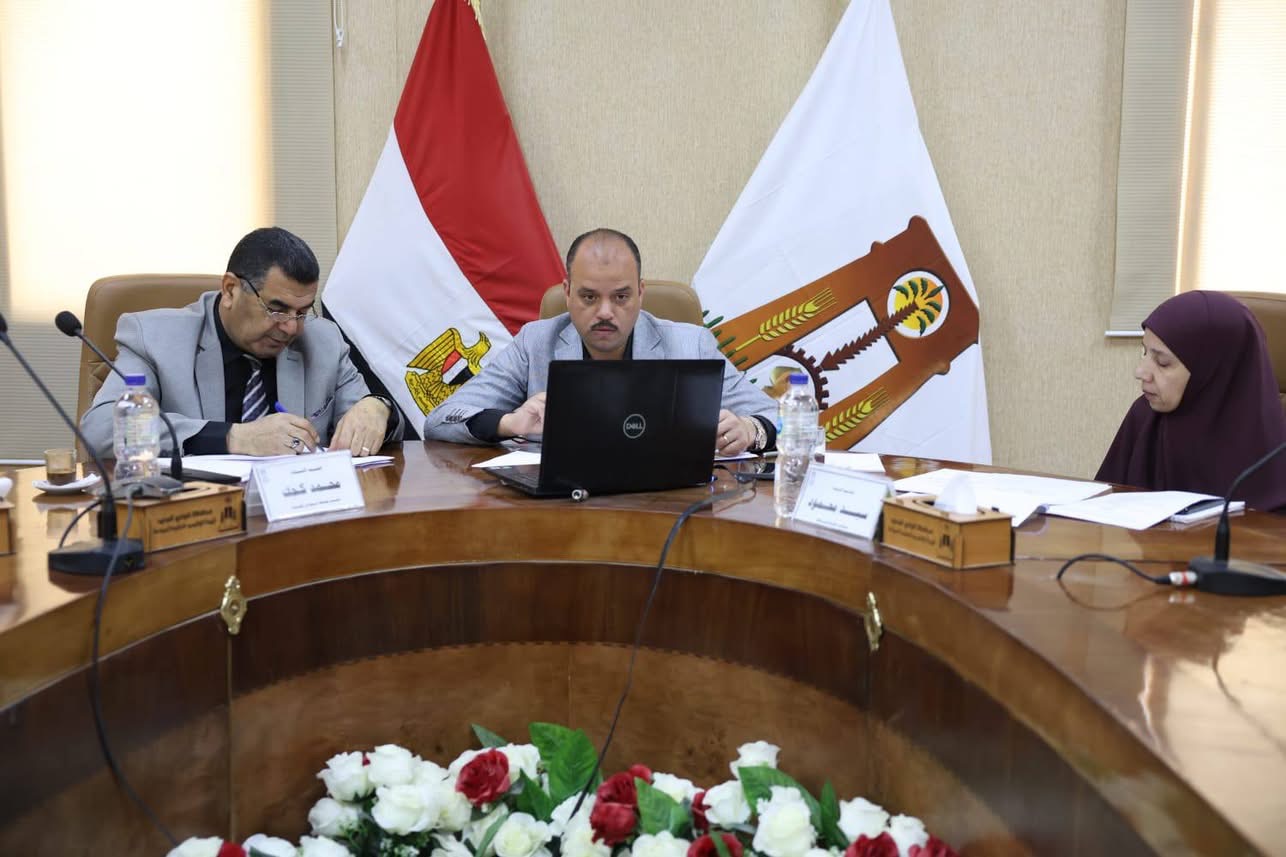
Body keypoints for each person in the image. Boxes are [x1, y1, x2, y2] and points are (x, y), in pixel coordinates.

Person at [423, 228, 778, 454]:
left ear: (640, 293)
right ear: (567, 293)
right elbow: (441, 420)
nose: (605, 312)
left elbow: (784, 418)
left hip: (665, 506)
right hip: (561, 511)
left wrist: (752, 430)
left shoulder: (692, 345)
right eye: (589, 297)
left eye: (621, 297)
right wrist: (510, 423)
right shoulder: (535, 344)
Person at [81, 227, 402, 457]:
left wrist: (379, 407)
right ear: (230, 290)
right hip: (196, 517)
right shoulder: (155, 337)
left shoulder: (323, 340)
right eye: (276, 309)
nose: (291, 327)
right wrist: (235, 437)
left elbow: (365, 419)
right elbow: (101, 429)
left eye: (303, 312)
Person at [1095, 290, 1286, 511]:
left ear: (1212, 370)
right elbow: (1099, 509)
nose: (1140, 372)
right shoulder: (1145, 415)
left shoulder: (1271, 448)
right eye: (1145, 352)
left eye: (1163, 362)